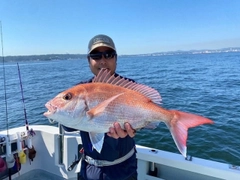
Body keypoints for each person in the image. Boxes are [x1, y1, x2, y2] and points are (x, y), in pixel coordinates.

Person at [63, 34, 138, 180]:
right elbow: (68, 127)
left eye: (109, 55)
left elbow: (141, 118)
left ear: (116, 58)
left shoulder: (131, 88)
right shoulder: (80, 90)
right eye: (96, 55)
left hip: (125, 169)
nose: (103, 61)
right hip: (90, 169)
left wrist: (135, 127)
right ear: (89, 61)